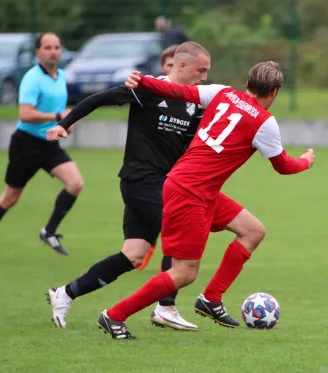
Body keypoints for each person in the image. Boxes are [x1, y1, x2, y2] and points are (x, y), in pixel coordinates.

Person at [96, 61, 315, 339]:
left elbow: (179, 91)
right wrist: (306, 161)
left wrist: (144, 81)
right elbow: (283, 165)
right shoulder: (264, 122)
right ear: (274, 92)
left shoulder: (222, 93)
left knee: (253, 231)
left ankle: (211, 299)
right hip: (190, 193)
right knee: (184, 273)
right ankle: (114, 316)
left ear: (248, 81)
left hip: (197, 188)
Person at [44, 42, 212, 331]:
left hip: (163, 184)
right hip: (139, 180)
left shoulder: (196, 103)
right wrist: (65, 124)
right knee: (178, 226)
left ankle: (65, 293)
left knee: (134, 254)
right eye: (202, 70)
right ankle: (166, 306)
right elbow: (98, 99)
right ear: (181, 66)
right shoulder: (147, 89)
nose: (205, 78)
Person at [0, 32, 82, 261]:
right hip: (26, 145)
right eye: (48, 47)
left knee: (75, 183)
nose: (53, 51)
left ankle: (48, 232)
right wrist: (60, 115)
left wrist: (64, 124)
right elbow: (26, 114)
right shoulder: (32, 78)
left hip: (50, 144)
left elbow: (57, 113)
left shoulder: (60, 75)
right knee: (10, 198)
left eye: (57, 47)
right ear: (38, 52)